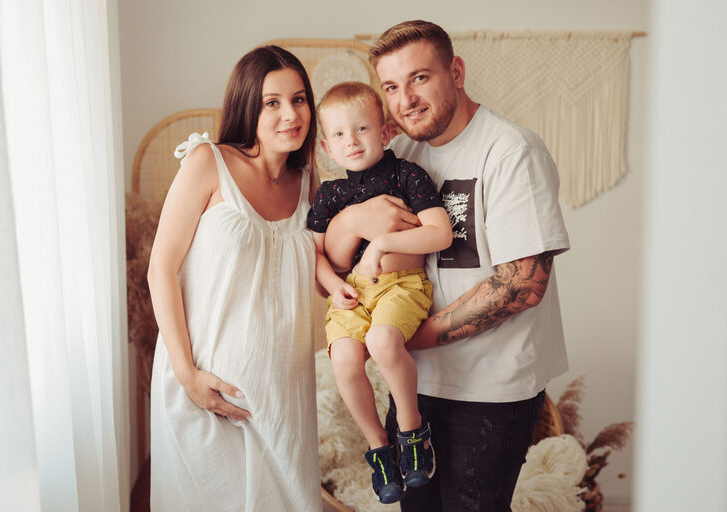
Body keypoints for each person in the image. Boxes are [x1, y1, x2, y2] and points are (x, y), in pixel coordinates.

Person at [324, 21, 571, 511]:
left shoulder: (510, 150)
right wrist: (351, 219)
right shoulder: (397, 155)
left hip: (490, 390)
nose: (406, 99)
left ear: (456, 72)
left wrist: (405, 337)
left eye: (419, 78)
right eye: (391, 87)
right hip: (414, 386)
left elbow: (523, 284)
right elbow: (340, 258)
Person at [147, 45, 322, 512]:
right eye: (272, 102)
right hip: (205, 389)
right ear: (248, 107)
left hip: (284, 397)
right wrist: (187, 375)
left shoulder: (309, 182)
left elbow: (328, 273)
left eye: (299, 99)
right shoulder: (209, 162)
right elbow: (160, 269)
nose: (291, 114)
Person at [308, 81, 453, 504]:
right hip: (354, 291)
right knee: (344, 359)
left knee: (382, 341)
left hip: (401, 285)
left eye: (362, 129)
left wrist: (382, 245)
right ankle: (379, 448)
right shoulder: (330, 195)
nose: (351, 141)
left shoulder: (407, 174)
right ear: (326, 147)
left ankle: (412, 432)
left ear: (386, 132)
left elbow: (440, 233)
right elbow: (314, 254)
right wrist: (335, 286)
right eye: (338, 134)